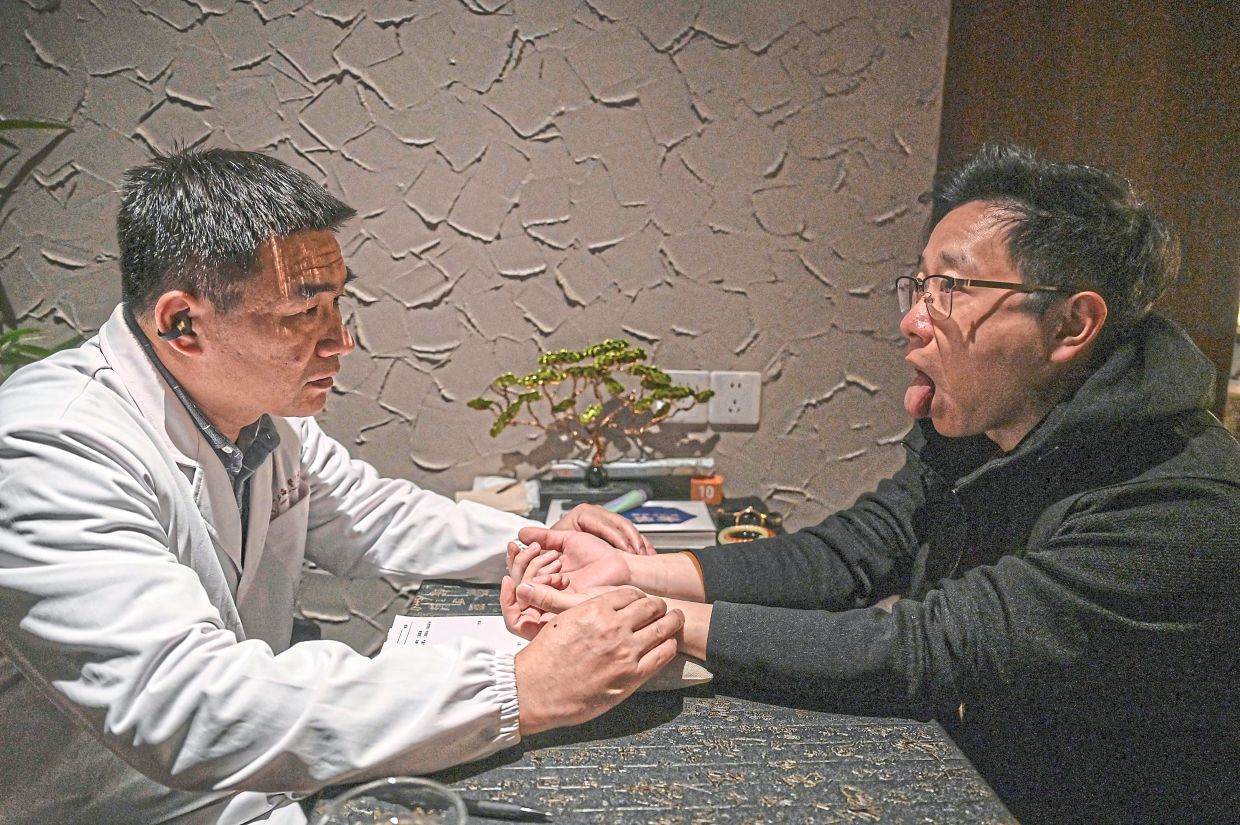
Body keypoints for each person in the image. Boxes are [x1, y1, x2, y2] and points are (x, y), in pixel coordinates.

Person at [507, 143, 1240, 824]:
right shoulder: (989, 423)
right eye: (919, 285)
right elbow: (853, 551)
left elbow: (927, 648)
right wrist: (631, 570)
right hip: (966, 771)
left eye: (951, 287)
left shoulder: (1179, 503)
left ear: (1071, 324)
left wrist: (647, 616)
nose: (914, 320)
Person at [0, 148, 685, 825]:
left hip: (244, 787)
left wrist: (538, 539)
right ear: (183, 323)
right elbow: (190, 706)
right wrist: (520, 685)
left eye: (336, 303)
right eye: (304, 312)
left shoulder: (252, 416)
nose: (341, 341)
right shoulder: (50, 448)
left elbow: (374, 514)